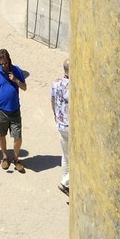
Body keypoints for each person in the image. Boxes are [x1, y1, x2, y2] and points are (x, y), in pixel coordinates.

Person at [0, 47, 28, 172]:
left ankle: (15, 158)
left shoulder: (16, 70)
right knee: (1, 134)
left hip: (14, 110)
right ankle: (4, 156)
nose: (3, 65)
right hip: (0, 110)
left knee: (18, 137)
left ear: (9, 60)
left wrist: (16, 80)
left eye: (5, 63)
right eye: (0, 63)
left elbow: (24, 87)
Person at [51, 57, 70, 195]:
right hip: (70, 126)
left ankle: (65, 180)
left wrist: (55, 114)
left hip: (60, 124)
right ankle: (65, 182)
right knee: (76, 156)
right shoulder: (73, 85)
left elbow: (52, 99)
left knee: (65, 155)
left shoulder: (56, 83)